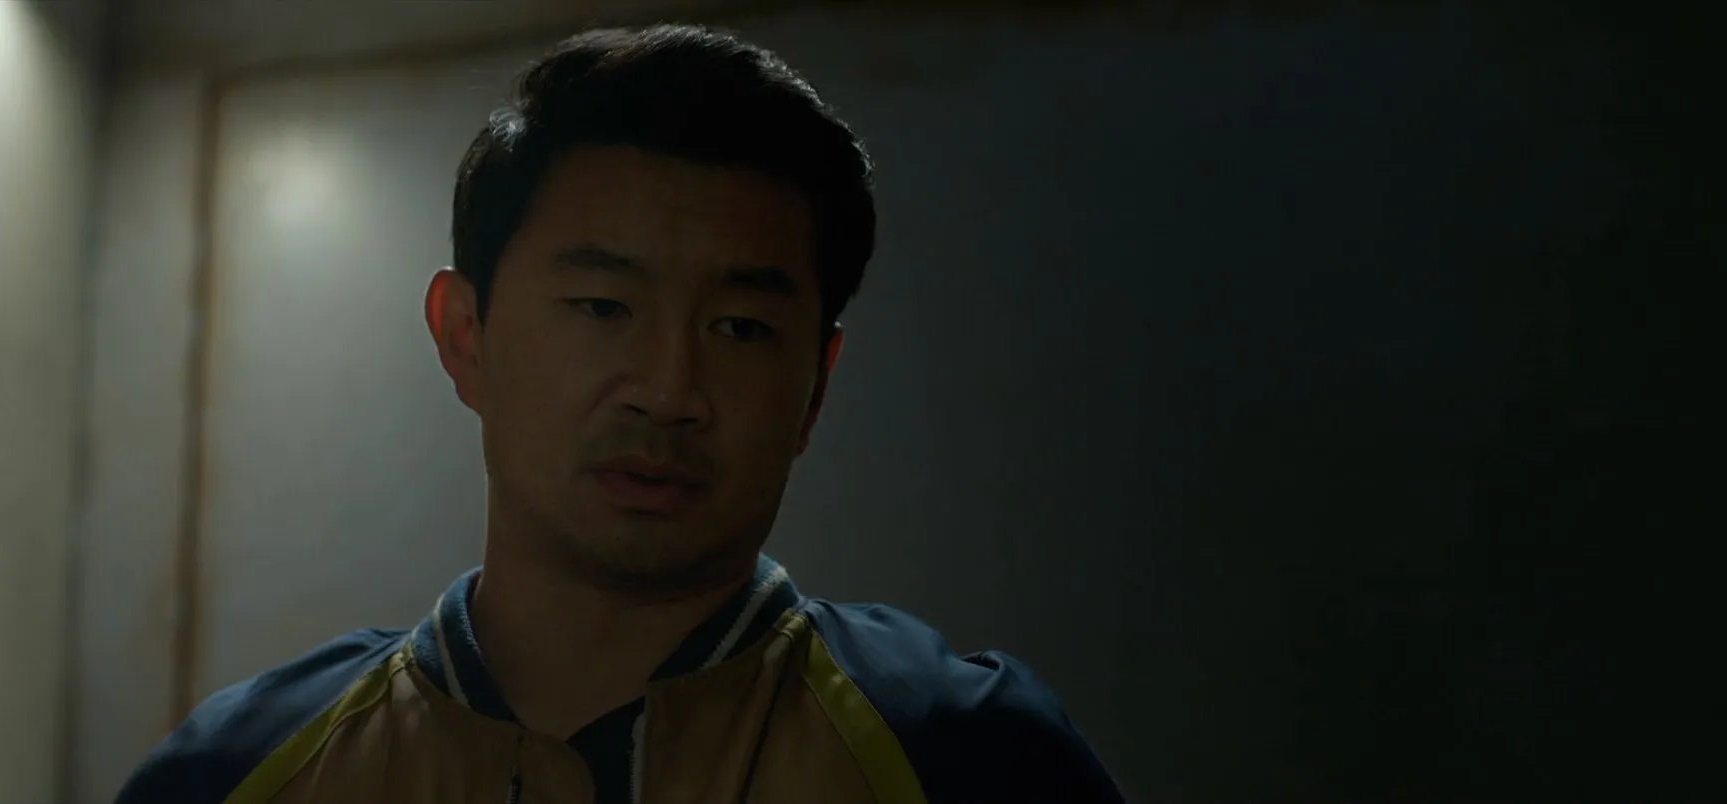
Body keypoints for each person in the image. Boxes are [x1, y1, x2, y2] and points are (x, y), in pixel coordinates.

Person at [113, 23, 1123, 804]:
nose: (669, 390)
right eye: (603, 308)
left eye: (739, 328)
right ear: (465, 336)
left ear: (815, 388)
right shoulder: (238, 774)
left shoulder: (965, 755)